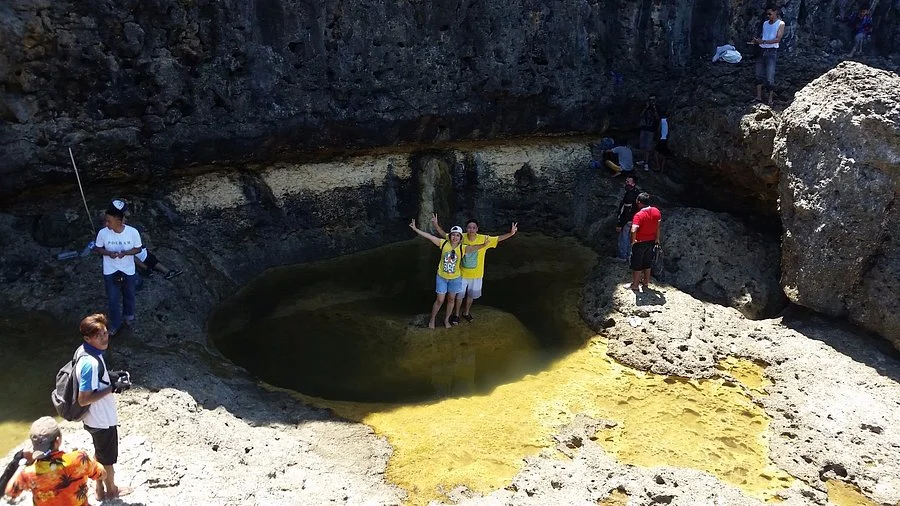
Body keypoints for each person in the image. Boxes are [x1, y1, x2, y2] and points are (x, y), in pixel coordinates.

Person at [75, 314, 131, 499]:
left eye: (106, 333)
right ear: (87, 338)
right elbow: (84, 399)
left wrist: (109, 377)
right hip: (101, 419)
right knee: (108, 460)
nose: (105, 338)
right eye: (99, 336)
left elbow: (93, 382)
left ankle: (99, 490)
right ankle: (112, 491)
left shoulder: (84, 352)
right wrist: (112, 387)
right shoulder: (90, 363)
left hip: (92, 419)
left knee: (100, 452)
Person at [431, 215, 518, 323]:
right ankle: (456, 314)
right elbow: (445, 235)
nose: (471, 229)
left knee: (471, 295)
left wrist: (511, 233)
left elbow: (498, 239)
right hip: (462, 273)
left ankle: (466, 312)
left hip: (477, 274)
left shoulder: (484, 239)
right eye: (469, 227)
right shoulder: (460, 237)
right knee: (459, 296)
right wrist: (435, 225)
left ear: (477, 229)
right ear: (466, 229)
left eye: (473, 227)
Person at [3, 417, 107, 505]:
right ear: (57, 440)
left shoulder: (28, 473)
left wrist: (24, 464)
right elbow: (102, 474)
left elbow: (10, 492)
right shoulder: (79, 458)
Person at [409, 219, 488, 329]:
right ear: (449, 236)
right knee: (440, 299)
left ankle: (447, 320)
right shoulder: (443, 243)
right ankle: (432, 320)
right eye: (453, 235)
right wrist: (416, 229)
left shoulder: (462, 248)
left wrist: (484, 244)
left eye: (457, 235)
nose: (455, 237)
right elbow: (429, 237)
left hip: (455, 278)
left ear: (460, 238)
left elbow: (474, 247)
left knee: (451, 299)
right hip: (442, 277)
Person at [93, 204, 142, 335]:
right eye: (106, 220)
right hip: (110, 269)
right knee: (113, 299)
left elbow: (138, 249)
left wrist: (125, 253)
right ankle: (115, 324)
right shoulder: (103, 233)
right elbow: (97, 248)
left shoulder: (133, 232)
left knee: (129, 295)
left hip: (128, 269)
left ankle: (129, 317)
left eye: (109, 221)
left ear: (119, 221)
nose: (106, 223)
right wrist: (109, 253)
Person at [750, 6, 785, 105]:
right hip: (762, 50)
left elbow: (778, 39)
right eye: (767, 14)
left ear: (775, 12)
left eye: (770, 14)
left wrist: (763, 41)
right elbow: (765, 36)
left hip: (772, 51)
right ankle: (758, 97)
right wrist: (757, 41)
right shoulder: (765, 23)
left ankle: (770, 100)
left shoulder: (781, 24)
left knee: (770, 76)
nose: (768, 16)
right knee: (758, 74)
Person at [630, 193, 662, 292]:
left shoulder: (639, 215)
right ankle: (646, 282)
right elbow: (658, 226)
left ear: (639, 202)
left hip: (640, 242)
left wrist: (633, 240)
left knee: (637, 264)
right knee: (647, 263)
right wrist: (657, 238)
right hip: (651, 241)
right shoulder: (656, 211)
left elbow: (633, 229)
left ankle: (635, 285)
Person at [615, 176, 641, 262]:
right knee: (631, 238)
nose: (626, 183)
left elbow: (626, 212)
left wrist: (620, 224)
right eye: (626, 181)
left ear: (633, 183)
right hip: (635, 219)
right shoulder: (637, 192)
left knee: (624, 237)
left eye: (628, 182)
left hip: (628, 220)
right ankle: (630, 256)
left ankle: (622, 257)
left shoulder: (629, 195)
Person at [638, 96, 659, 169]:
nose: (651, 101)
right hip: (644, 128)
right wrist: (646, 108)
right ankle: (643, 160)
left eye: (653, 100)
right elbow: (640, 115)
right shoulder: (646, 108)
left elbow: (657, 118)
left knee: (648, 147)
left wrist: (655, 108)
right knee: (642, 145)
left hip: (651, 130)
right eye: (650, 100)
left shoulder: (656, 108)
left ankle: (646, 163)